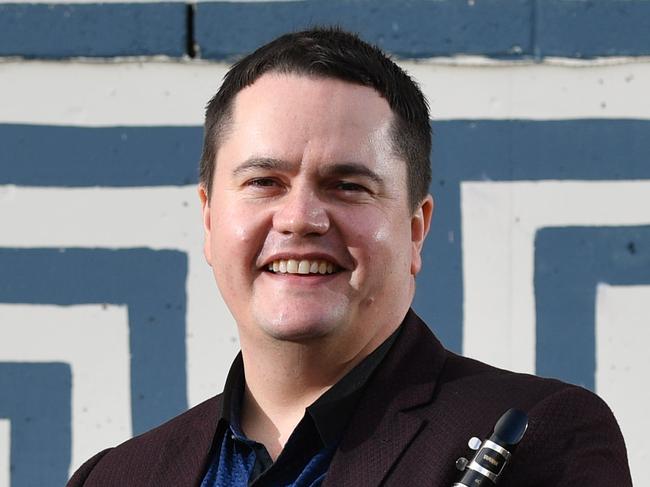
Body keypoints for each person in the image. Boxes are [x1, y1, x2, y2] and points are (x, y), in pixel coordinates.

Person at [68, 27, 632, 486]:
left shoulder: (546, 437)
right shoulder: (115, 476)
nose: (300, 219)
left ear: (415, 230)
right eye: (265, 181)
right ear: (210, 218)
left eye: (348, 186)